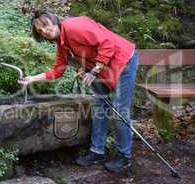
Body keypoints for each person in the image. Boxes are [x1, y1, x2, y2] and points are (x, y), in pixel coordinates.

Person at [18, 10, 139, 172]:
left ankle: (124, 156)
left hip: (123, 62)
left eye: (45, 26)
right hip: (102, 69)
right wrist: (32, 78)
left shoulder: (73, 26)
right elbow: (58, 71)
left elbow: (107, 42)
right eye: (40, 31)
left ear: (53, 20)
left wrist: (95, 70)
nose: (45, 32)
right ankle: (97, 152)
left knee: (119, 110)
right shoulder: (62, 43)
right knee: (99, 107)